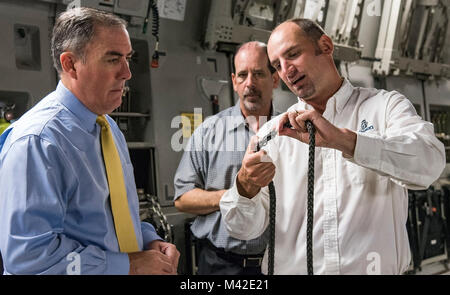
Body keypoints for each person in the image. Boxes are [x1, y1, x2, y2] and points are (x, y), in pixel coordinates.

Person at [219, 18, 446, 275]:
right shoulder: (275, 133)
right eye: (277, 65)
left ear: (325, 46)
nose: (286, 71)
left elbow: (430, 163)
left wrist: (344, 141)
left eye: (293, 54)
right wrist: (245, 186)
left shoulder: (385, 107)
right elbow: (243, 229)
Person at [0, 7, 179, 275]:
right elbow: (30, 257)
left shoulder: (107, 128)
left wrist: (148, 239)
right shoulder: (38, 142)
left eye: (128, 58)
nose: (127, 73)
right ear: (70, 64)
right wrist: (129, 265)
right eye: (113, 59)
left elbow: (111, 217)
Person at [174, 41, 280, 275]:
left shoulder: (292, 132)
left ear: (275, 79)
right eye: (242, 75)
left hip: (279, 263)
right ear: (234, 81)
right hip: (219, 265)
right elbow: (183, 199)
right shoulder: (208, 132)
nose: (249, 83)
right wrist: (235, 196)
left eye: (259, 73)